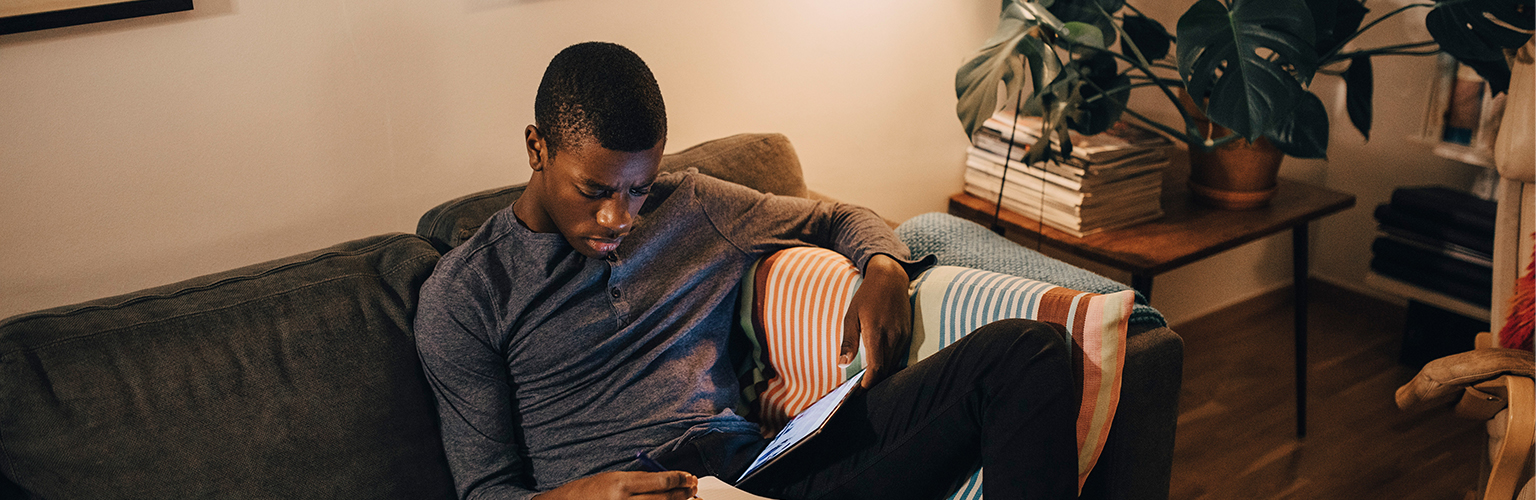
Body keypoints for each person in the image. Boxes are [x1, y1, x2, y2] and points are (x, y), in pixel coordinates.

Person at [414, 41, 1077, 500]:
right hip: (629, 489)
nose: (621, 216)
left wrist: (884, 267)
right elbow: (484, 488)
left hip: (766, 473)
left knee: (1029, 353)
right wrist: (588, 493)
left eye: (638, 187)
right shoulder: (467, 295)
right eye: (596, 191)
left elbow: (838, 217)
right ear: (537, 147)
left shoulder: (695, 206)